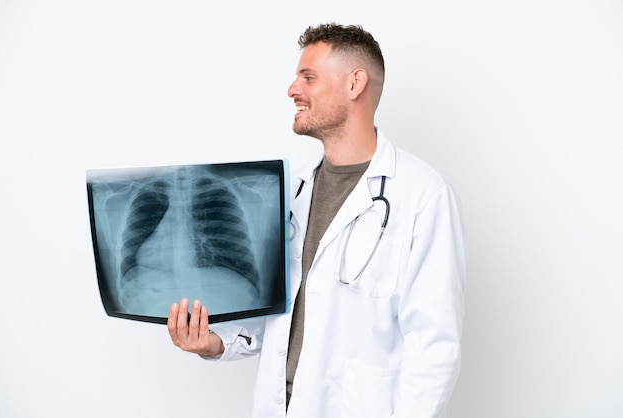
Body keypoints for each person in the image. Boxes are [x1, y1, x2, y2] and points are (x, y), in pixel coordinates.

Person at [167, 22, 466, 418]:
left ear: (355, 83)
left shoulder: (423, 196)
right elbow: (276, 318)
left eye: (308, 77)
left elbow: (435, 346)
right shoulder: (292, 190)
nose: (292, 90)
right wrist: (215, 344)